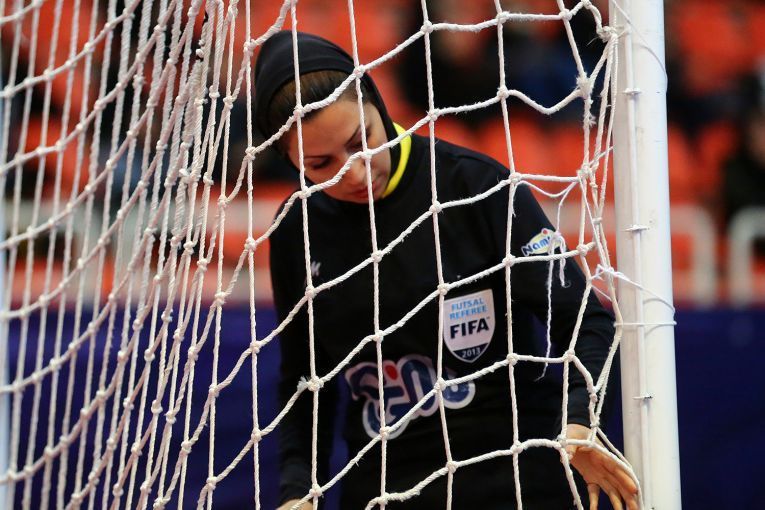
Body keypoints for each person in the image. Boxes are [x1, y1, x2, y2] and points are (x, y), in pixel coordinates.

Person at [257, 31, 638, 510]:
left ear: (377, 105)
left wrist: (580, 421)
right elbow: (304, 382)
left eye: (361, 141)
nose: (354, 172)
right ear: (289, 160)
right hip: (385, 487)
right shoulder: (297, 229)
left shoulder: (473, 184)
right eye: (320, 164)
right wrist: (298, 491)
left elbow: (584, 318)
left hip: (515, 476)